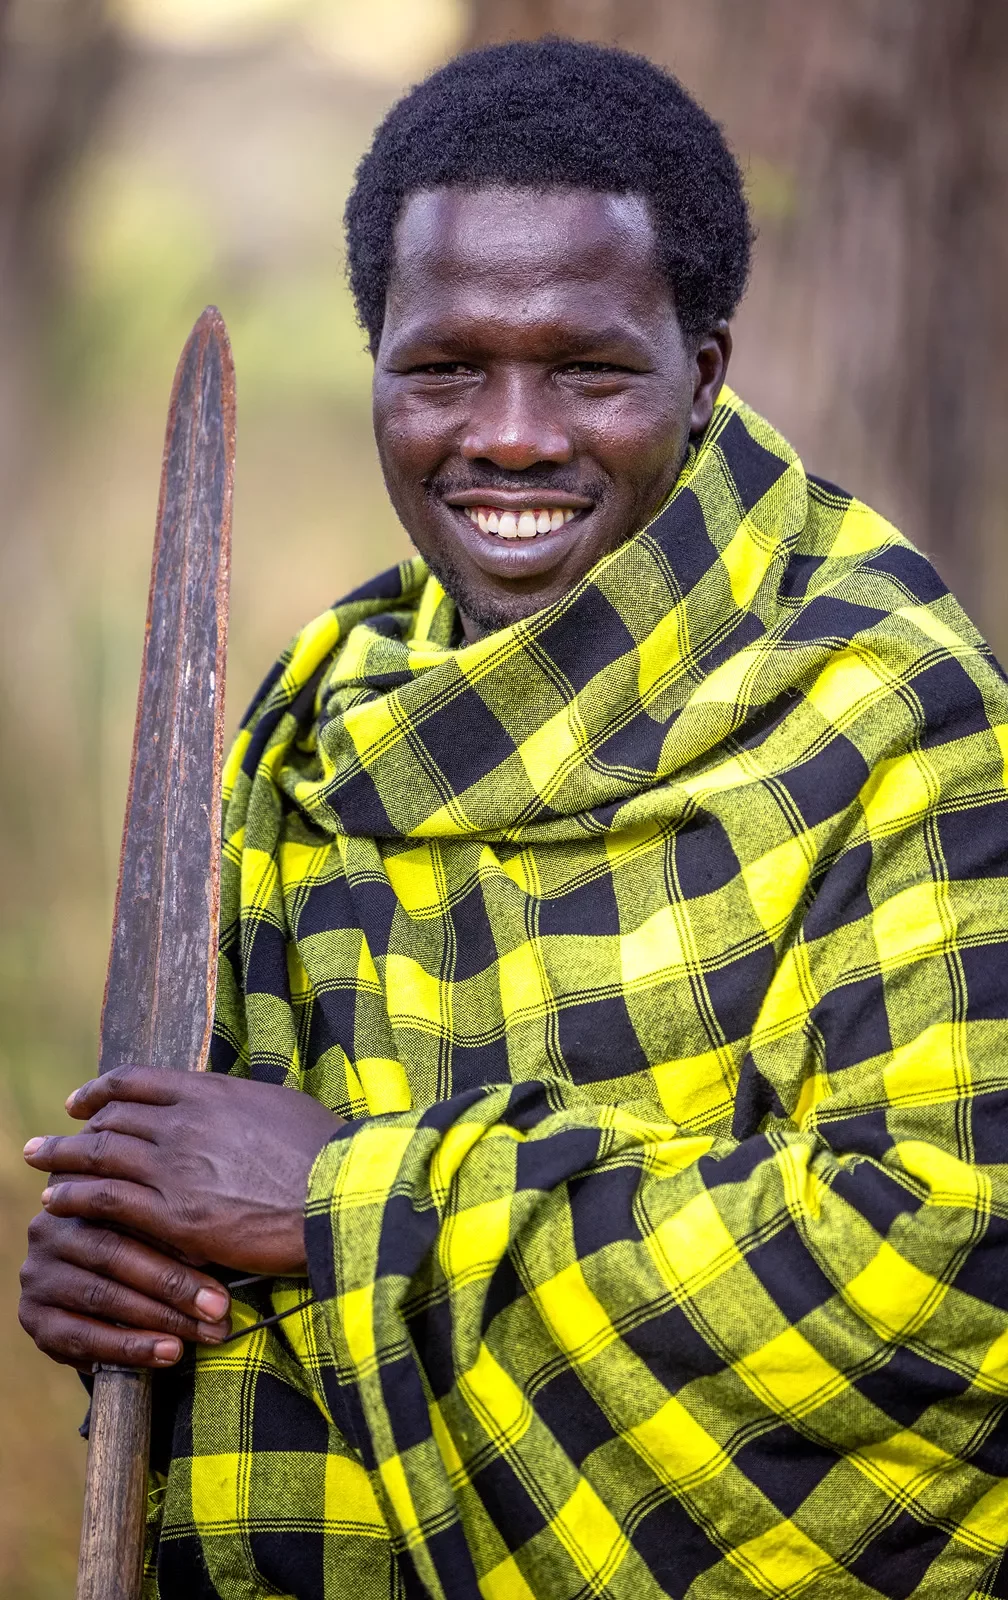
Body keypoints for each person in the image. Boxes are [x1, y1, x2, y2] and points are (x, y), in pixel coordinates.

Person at [18, 37, 1008, 1600]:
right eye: (445, 367)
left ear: (706, 371)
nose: (515, 436)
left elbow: (943, 1272)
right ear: (377, 372)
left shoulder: (883, 713)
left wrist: (351, 1204)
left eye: (591, 369)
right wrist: (123, 1289)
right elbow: (230, 1226)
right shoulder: (318, 729)